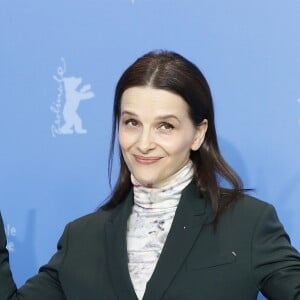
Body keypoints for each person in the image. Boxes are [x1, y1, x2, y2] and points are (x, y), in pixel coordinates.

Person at [1, 50, 300, 300]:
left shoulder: (247, 224)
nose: (143, 143)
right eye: (132, 122)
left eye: (165, 126)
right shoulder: (81, 238)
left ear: (198, 134)